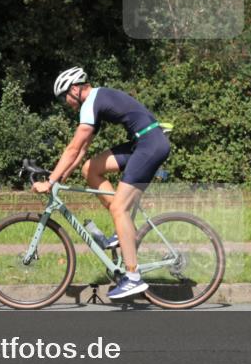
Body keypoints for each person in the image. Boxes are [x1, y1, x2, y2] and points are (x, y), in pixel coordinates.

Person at [31, 66, 171, 300]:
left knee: (119, 208)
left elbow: (72, 148)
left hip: (149, 144)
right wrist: (64, 175)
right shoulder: (97, 100)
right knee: (91, 168)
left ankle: (133, 277)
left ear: (75, 89)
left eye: (65, 96)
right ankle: (122, 228)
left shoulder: (91, 103)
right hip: (144, 141)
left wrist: (50, 180)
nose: (66, 102)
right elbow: (82, 151)